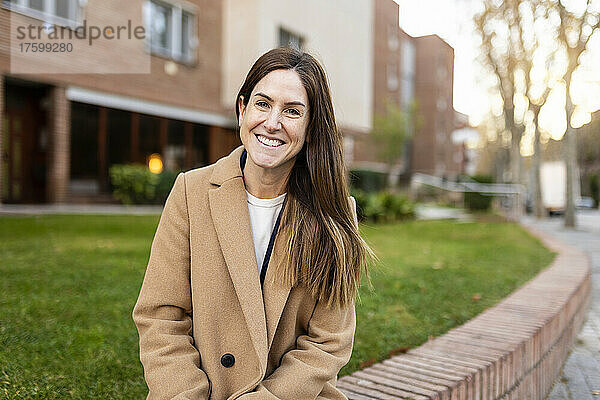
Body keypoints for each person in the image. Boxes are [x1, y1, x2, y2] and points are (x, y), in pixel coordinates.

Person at [132, 47, 375, 400]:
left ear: (310, 129)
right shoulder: (191, 191)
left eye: (292, 111)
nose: (273, 122)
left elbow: (327, 342)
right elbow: (161, 318)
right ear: (242, 109)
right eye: (263, 104)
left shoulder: (334, 213)